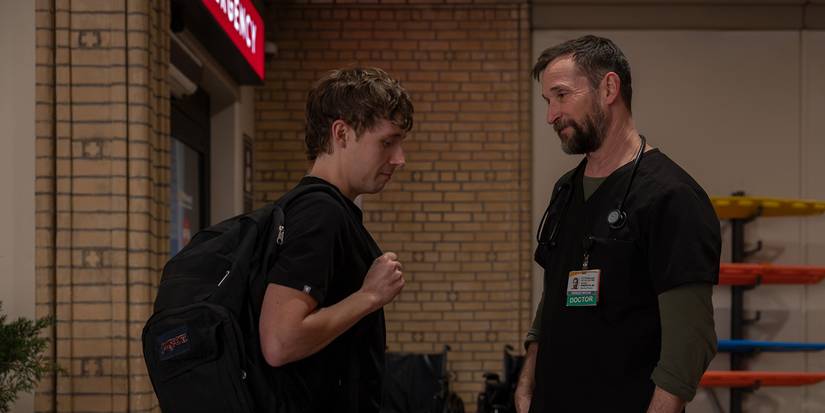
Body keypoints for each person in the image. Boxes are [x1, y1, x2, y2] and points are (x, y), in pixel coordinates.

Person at [515, 35, 721, 413]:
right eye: (547, 101)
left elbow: (690, 337)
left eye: (561, 95)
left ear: (609, 87)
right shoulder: (566, 189)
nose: (551, 115)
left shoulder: (671, 197)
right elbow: (554, 293)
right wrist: (527, 380)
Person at [258, 67, 413, 413]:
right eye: (387, 142)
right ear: (341, 133)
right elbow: (279, 341)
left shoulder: (327, 210)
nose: (399, 159)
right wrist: (370, 296)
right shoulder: (319, 214)